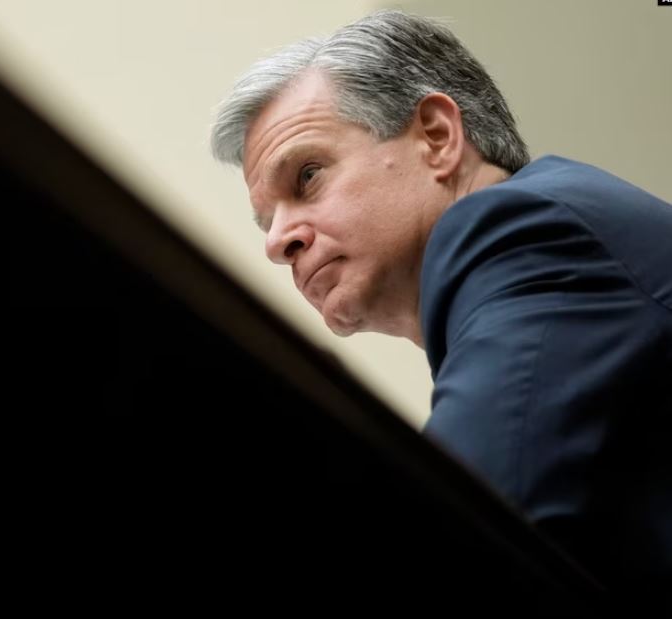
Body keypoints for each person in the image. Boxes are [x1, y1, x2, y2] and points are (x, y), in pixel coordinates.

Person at [210, 9, 671, 600]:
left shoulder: (520, 228)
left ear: (437, 137)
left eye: (307, 176)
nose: (278, 242)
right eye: (267, 221)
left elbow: (453, 545)